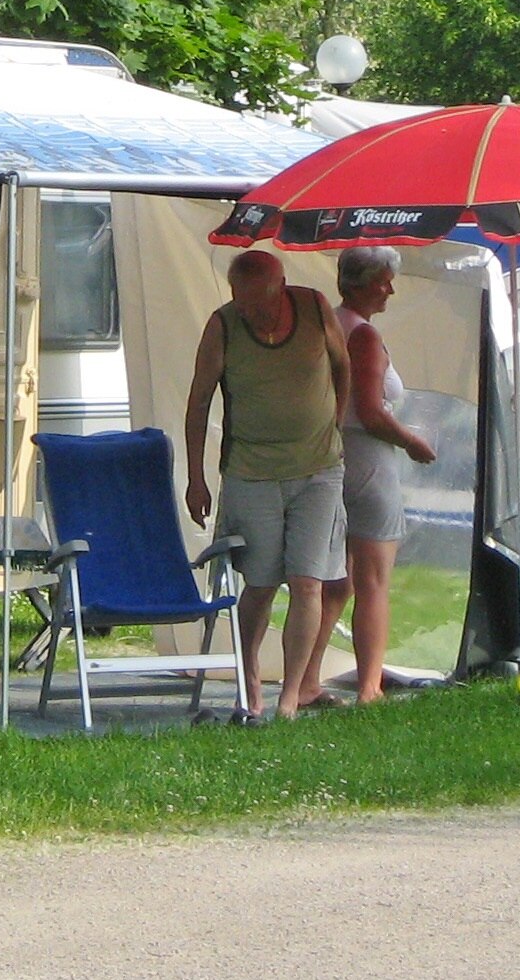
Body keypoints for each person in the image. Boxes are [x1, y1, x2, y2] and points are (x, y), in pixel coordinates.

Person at [184, 248, 350, 723]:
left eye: (260, 303)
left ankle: (291, 696)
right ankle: (251, 679)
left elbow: (343, 366)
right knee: (259, 584)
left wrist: (334, 422)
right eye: (243, 302)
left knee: (307, 581)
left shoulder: (316, 309)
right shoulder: (223, 326)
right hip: (250, 472)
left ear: (281, 287)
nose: (252, 313)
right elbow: (198, 404)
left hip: (318, 470)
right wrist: (197, 478)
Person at [330, 246, 437, 705]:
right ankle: (370, 686)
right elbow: (370, 410)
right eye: (384, 280)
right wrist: (412, 441)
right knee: (373, 580)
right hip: (369, 460)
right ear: (362, 284)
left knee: (333, 580)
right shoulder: (365, 336)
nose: (391, 288)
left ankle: (308, 677)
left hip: (329, 456)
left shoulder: (327, 322)